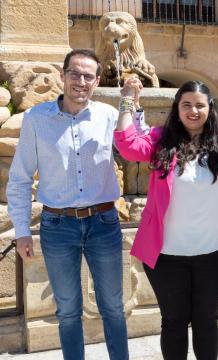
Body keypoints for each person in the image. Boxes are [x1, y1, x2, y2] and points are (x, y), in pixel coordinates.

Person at [113, 78, 218, 359]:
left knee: (207, 321)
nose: (193, 111)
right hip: (167, 255)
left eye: (200, 105)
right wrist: (127, 100)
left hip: (213, 253)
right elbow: (128, 146)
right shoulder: (160, 141)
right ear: (177, 109)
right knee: (174, 323)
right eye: (186, 105)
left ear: (210, 108)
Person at [7, 49, 129, 359]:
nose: (81, 81)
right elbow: (20, 178)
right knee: (68, 310)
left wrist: (132, 102)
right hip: (58, 226)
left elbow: (135, 147)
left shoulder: (109, 115)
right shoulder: (36, 119)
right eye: (75, 73)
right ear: (63, 76)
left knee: (114, 307)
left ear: (97, 81)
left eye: (88, 76)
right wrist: (22, 230)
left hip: (104, 222)